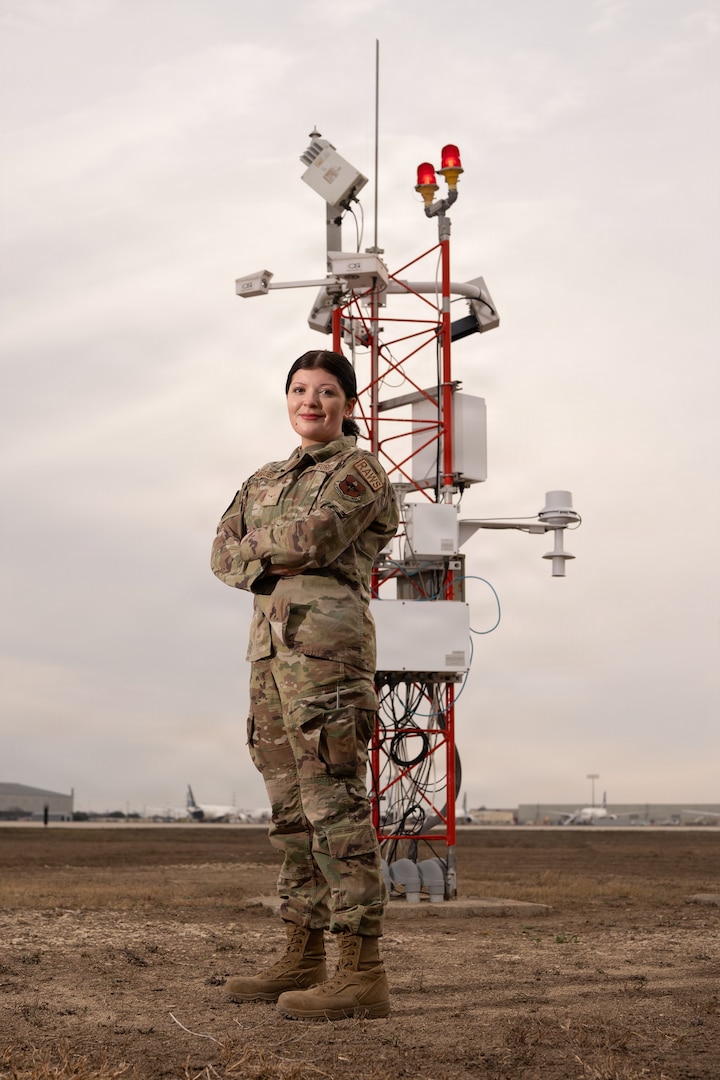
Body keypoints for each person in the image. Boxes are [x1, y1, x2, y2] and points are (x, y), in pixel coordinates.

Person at [211, 349, 399, 1021]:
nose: (310, 402)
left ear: (348, 402)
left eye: (326, 391)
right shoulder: (265, 476)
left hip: (327, 656)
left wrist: (258, 548)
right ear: (286, 398)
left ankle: (362, 969)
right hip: (269, 656)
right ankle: (302, 953)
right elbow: (218, 552)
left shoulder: (360, 471)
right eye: (299, 389)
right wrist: (269, 546)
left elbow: (315, 541)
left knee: (335, 806)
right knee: (290, 813)